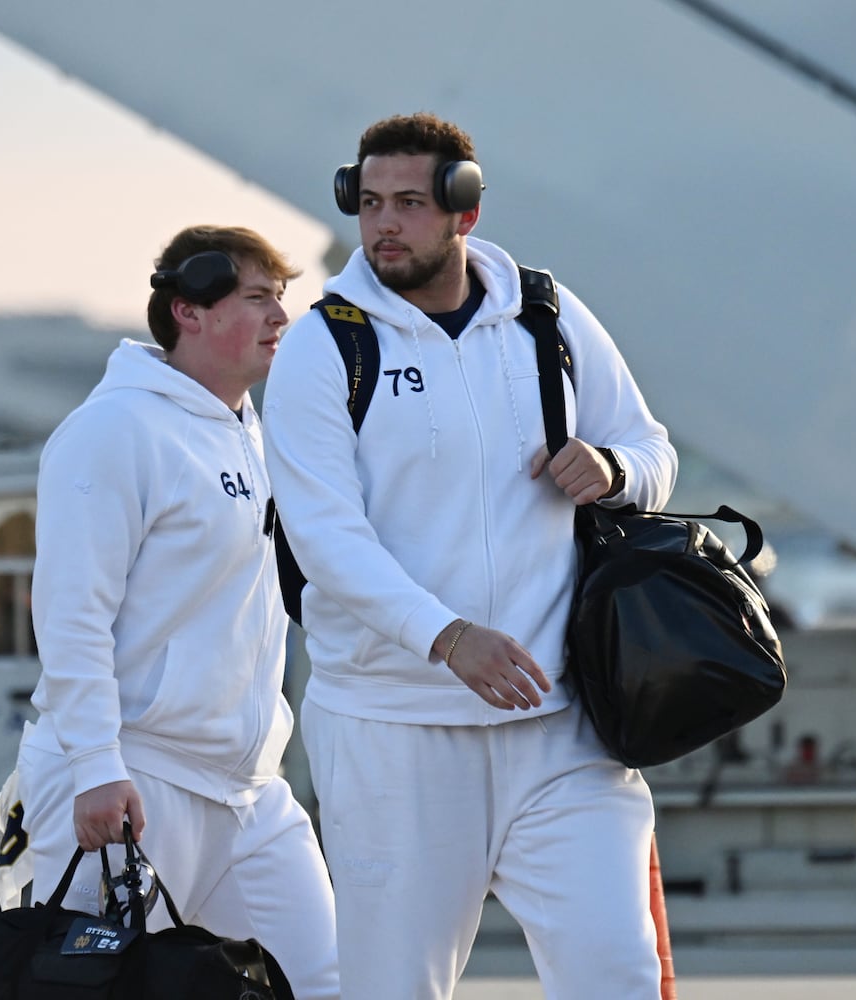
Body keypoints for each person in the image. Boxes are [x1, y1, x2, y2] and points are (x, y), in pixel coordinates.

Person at [262, 113, 678, 999]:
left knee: (617, 971)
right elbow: (325, 537)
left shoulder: (543, 315)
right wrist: (449, 638)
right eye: (369, 203)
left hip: (560, 726)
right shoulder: (321, 346)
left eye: (409, 204)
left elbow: (651, 451)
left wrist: (610, 469)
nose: (383, 225)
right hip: (393, 732)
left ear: (464, 213)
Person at [0, 224, 339, 999]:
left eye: (280, 299)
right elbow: (71, 613)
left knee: (327, 982)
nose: (280, 319)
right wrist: (95, 767)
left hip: (248, 792)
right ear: (188, 311)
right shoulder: (113, 429)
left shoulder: (260, 434)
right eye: (257, 299)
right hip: (131, 779)